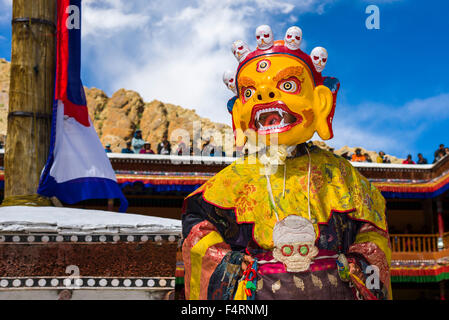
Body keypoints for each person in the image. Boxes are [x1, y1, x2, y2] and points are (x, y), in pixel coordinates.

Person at [182, 26, 391, 301]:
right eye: (249, 93)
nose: (264, 95)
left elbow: (373, 230)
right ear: (238, 115)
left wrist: (355, 264)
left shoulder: (341, 175)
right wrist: (230, 264)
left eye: (287, 86)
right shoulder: (230, 180)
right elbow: (198, 230)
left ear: (321, 102)